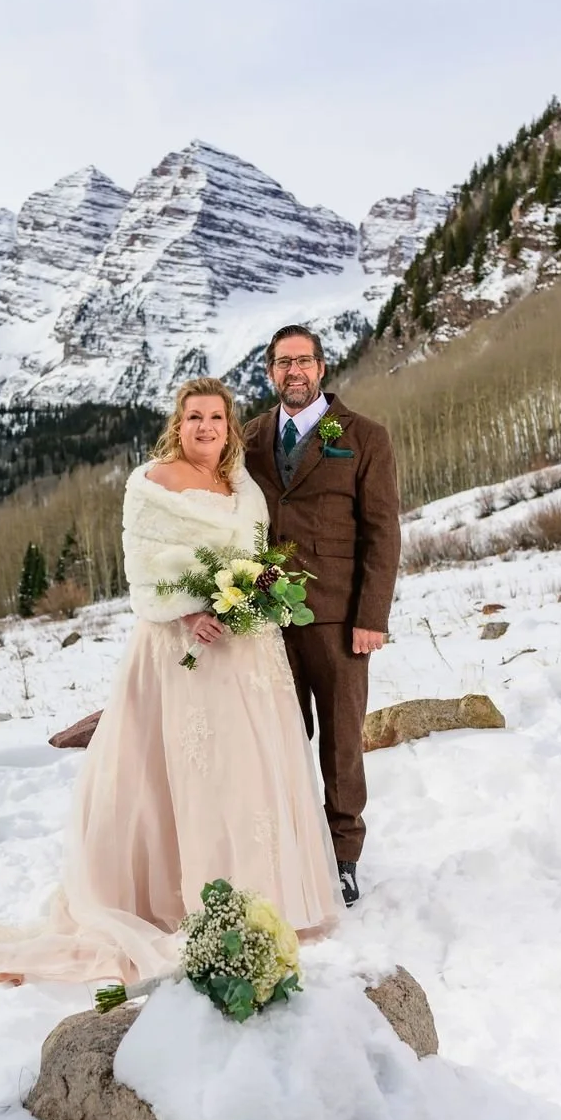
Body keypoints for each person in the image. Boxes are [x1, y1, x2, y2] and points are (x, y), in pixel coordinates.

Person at [0, 376, 340, 990]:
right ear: (179, 423)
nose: (205, 427)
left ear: (230, 426)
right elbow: (143, 572)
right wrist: (193, 610)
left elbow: (254, 553)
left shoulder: (242, 482)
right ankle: (187, 899)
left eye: (217, 419)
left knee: (249, 768)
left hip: (248, 648)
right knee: (188, 772)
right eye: (194, 417)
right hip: (182, 648)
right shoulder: (152, 482)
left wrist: (251, 597)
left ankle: (262, 895)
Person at [243, 326, 401, 907]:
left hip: (338, 618)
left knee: (340, 742)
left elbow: (383, 534)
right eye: (283, 363)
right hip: (264, 618)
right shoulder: (251, 437)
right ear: (269, 372)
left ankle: (343, 856)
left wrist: (371, 616)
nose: (294, 372)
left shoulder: (363, 438)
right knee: (277, 737)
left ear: (321, 367)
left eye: (303, 361)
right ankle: (287, 846)